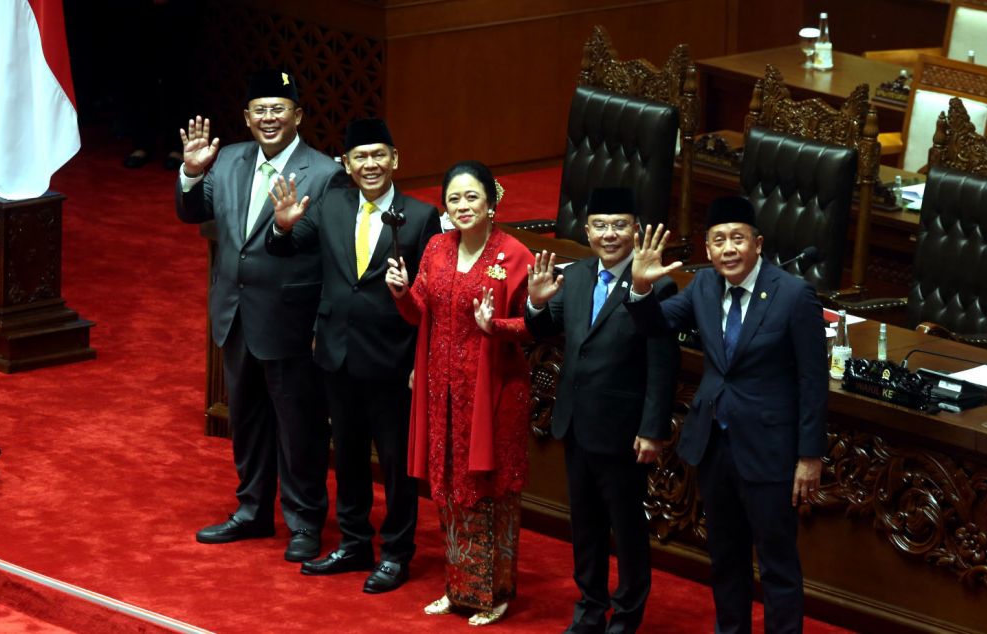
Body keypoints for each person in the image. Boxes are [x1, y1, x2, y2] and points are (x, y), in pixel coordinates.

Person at [624, 196, 828, 634]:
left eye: (738, 238)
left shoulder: (794, 296)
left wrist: (809, 456)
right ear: (708, 249)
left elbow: (814, 381)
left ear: (758, 243)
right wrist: (639, 288)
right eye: (718, 241)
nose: (728, 249)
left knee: (776, 567)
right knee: (726, 560)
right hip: (715, 447)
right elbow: (653, 325)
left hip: (772, 453)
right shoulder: (702, 287)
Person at [265, 118, 441, 594]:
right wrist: (281, 228)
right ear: (346, 164)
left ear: (395, 159)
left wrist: (418, 362)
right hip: (337, 355)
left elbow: (432, 299)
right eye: (359, 157)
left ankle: (397, 552)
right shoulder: (332, 204)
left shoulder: (422, 217)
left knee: (397, 464)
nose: (370, 165)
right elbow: (290, 245)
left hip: (393, 360)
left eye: (378, 155)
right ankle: (354, 542)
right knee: (347, 457)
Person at [176, 69, 344, 563]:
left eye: (279, 109)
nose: (269, 118)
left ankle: (305, 521)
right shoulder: (227, 160)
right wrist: (190, 173)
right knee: (245, 421)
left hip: (291, 317)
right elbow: (193, 213)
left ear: (298, 116)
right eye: (260, 111)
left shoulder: (324, 172)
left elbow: (323, 249)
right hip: (235, 312)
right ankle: (252, 510)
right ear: (247, 118)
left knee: (298, 426)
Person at [385, 160, 534, 626]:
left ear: (492, 202)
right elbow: (418, 314)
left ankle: (494, 591)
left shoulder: (514, 255)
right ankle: (459, 587)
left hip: (494, 394)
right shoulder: (436, 248)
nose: (463, 206)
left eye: (472, 197)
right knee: (449, 489)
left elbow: (538, 327)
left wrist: (499, 325)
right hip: (442, 392)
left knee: (489, 490)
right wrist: (402, 293)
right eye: (454, 198)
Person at [524, 187, 679, 634]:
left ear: (635, 230)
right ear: (587, 230)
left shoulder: (656, 284)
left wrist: (652, 429)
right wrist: (535, 301)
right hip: (576, 423)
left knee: (627, 528)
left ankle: (626, 617)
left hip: (624, 429)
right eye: (601, 226)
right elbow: (542, 326)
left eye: (620, 225)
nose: (610, 234)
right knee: (586, 524)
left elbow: (662, 364)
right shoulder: (576, 275)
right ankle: (590, 609)